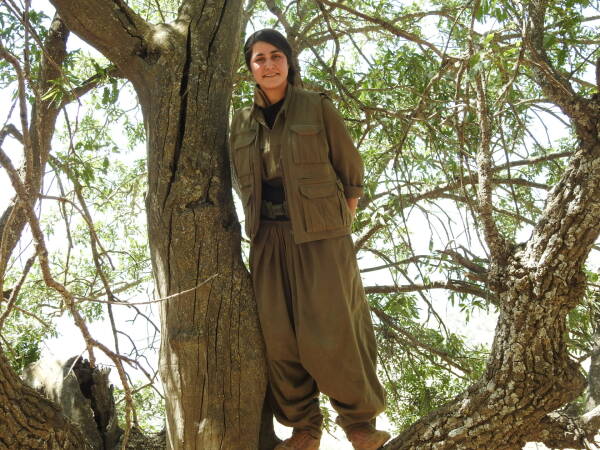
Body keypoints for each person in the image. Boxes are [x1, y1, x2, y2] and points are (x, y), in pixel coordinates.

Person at [229, 28, 390, 450]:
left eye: (275, 56)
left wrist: (335, 223)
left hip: (322, 235)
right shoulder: (240, 122)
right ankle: (304, 428)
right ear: (250, 68)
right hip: (267, 236)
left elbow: (349, 171)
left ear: (288, 61)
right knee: (278, 336)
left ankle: (359, 424)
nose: (268, 64)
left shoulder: (316, 106)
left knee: (335, 328)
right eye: (259, 58)